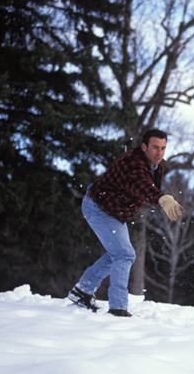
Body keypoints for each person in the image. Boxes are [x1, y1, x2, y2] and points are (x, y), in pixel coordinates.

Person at [68, 129, 183, 317]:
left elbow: (146, 185)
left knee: (118, 254)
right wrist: (161, 198)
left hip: (113, 211)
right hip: (98, 207)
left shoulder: (155, 163)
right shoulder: (133, 163)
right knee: (125, 255)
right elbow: (140, 184)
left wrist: (157, 196)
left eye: (163, 148)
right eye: (155, 147)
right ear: (144, 147)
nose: (159, 153)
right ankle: (118, 308)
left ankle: (82, 291)